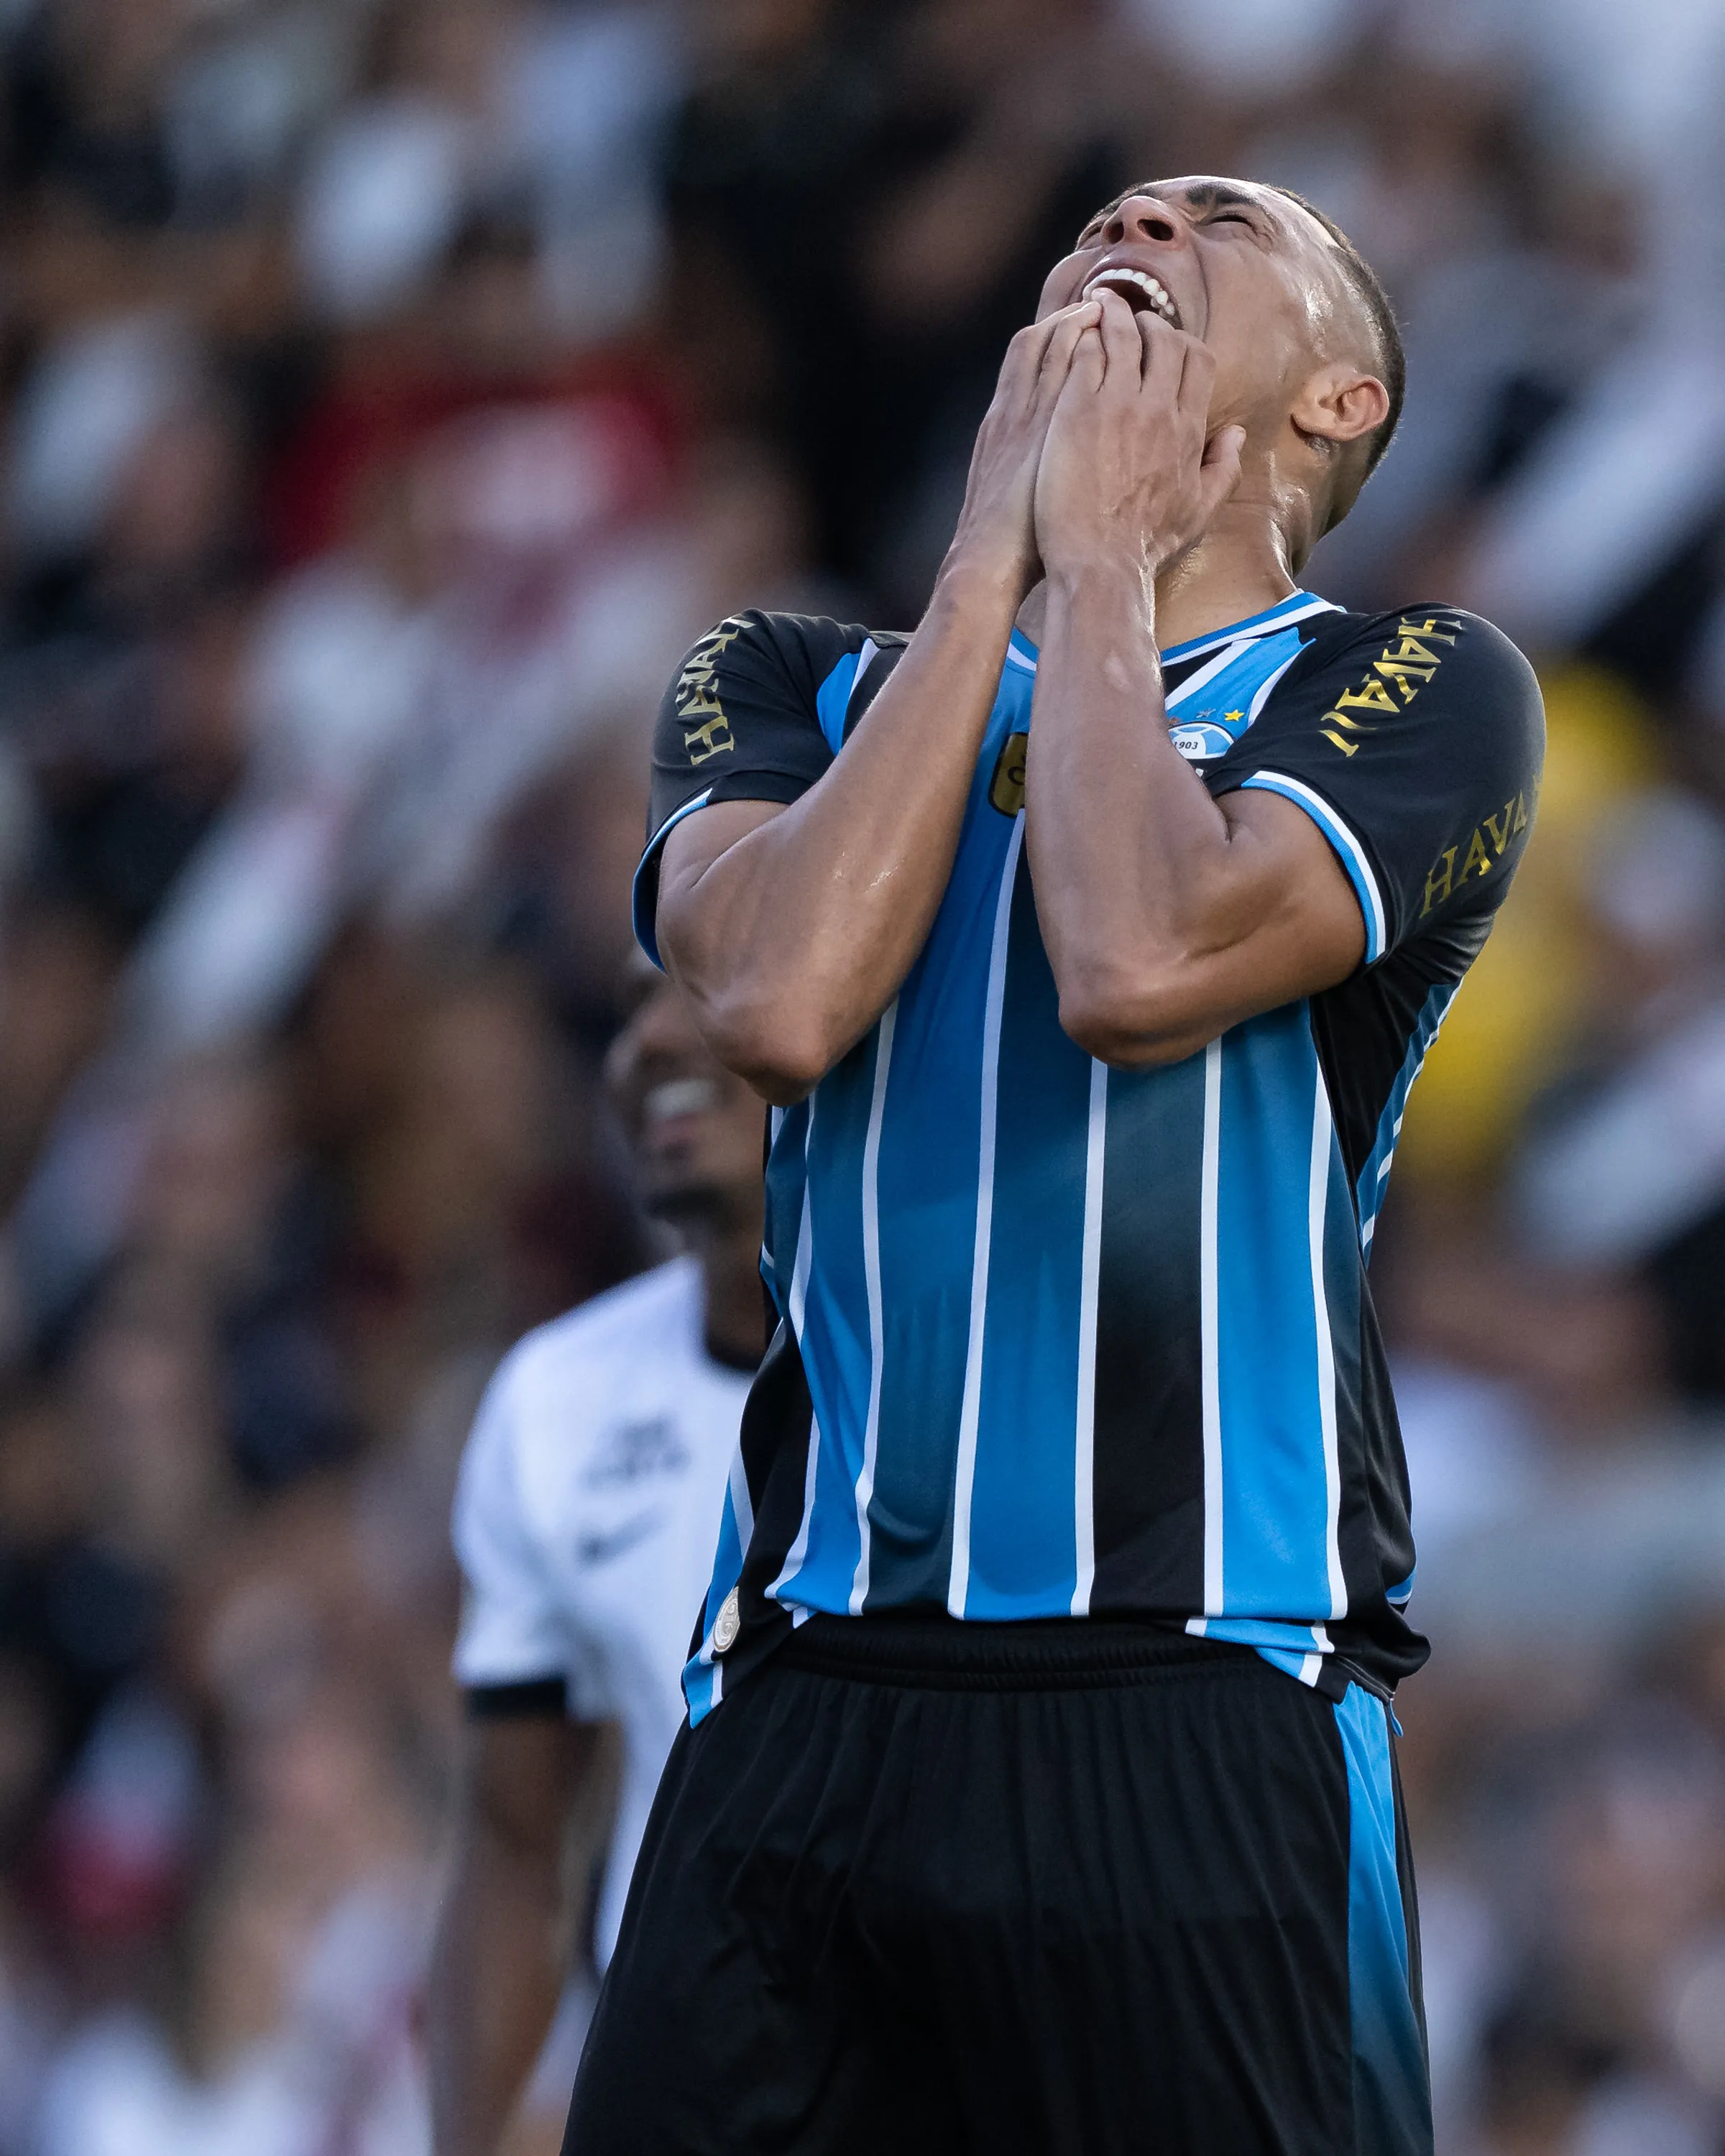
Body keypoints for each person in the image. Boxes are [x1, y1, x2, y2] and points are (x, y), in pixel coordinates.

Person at [567, 180, 1545, 2156]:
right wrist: (987, 576)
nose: (1141, 212)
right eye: (1117, 211)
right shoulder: (780, 678)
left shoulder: (1424, 689)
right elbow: (774, 999)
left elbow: (1139, 962)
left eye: (1222, 223)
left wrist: (1098, 565)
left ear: (1342, 401)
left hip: (1200, 1690)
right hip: (807, 1687)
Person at [425, 959, 765, 2156]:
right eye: (630, 1004)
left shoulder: (1002, 1368)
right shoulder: (554, 1403)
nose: (651, 1044)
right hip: (686, 2083)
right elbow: (514, 1847)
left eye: (713, 983)